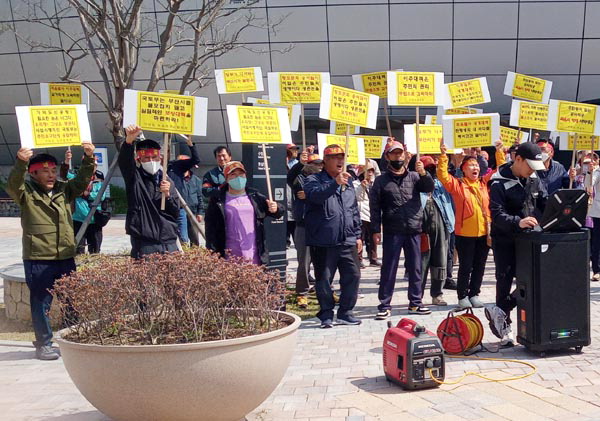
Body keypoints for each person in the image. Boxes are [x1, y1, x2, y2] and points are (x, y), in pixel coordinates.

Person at [6, 143, 96, 360]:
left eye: (53, 170)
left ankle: (73, 338)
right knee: (41, 303)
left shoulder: (64, 189)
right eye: (45, 171)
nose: (50, 175)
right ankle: (44, 343)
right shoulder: (26, 192)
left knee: (71, 301)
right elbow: (12, 185)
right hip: (39, 257)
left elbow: (83, 180)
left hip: (64, 256)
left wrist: (88, 157)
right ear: (33, 173)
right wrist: (20, 161)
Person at [487, 142, 547, 346]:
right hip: (504, 239)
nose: (532, 171)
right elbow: (496, 214)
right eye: (530, 165)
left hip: (529, 239)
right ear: (517, 159)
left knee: (533, 278)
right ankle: (505, 325)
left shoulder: (534, 178)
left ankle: (502, 310)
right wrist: (517, 222)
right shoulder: (498, 182)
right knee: (504, 279)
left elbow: (544, 203)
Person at [370, 141, 435, 319]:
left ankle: (415, 302)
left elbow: (429, 188)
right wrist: (375, 230)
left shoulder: (414, 177)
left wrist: (424, 173)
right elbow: (374, 207)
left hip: (414, 228)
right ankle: (384, 304)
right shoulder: (381, 181)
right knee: (389, 268)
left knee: (415, 268)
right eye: (394, 154)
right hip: (392, 230)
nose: (398, 157)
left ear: (406, 156)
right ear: (387, 157)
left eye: (400, 154)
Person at [438, 140, 505, 309]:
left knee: (479, 266)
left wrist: (499, 152)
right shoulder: (458, 185)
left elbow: (501, 170)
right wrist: (444, 155)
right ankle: (462, 296)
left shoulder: (484, 183)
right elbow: (443, 175)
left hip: (484, 233)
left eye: (476, 165)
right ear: (463, 169)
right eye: (471, 165)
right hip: (464, 234)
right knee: (465, 266)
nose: (475, 168)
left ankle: (474, 293)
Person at [304, 144, 363, 328]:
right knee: (324, 279)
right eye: (335, 157)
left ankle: (345, 312)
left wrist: (358, 235)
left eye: (342, 157)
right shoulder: (313, 179)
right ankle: (326, 314)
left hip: (347, 239)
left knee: (353, 275)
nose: (340, 161)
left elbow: (353, 210)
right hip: (323, 240)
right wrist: (334, 183)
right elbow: (316, 196)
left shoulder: (349, 182)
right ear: (325, 160)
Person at [205, 161, 283, 264]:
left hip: (254, 253)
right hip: (229, 254)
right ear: (227, 178)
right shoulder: (218, 200)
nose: (238, 178)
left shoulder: (255, 196)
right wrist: (213, 253)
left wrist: (276, 208)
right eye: (233, 174)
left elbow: (278, 212)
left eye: (241, 174)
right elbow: (210, 229)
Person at [120, 125, 180, 259]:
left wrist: (168, 196)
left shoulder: (167, 180)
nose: (151, 161)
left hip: (168, 242)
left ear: (161, 159)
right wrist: (128, 141)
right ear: (139, 160)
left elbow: (176, 211)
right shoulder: (135, 178)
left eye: (154, 158)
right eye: (146, 158)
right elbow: (125, 163)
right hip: (145, 242)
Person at [419, 155, 455, 306]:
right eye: (427, 168)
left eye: (432, 168)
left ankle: (437, 294)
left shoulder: (442, 184)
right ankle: (416, 296)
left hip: (442, 226)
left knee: (440, 262)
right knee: (421, 264)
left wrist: (447, 157)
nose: (430, 171)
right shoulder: (415, 184)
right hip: (421, 229)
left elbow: (452, 176)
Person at [288, 150, 322, 307]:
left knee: (323, 261)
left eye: (320, 164)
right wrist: (300, 164)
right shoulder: (299, 178)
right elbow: (290, 177)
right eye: (315, 164)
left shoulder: (325, 179)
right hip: (303, 224)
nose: (318, 167)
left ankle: (326, 288)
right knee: (304, 261)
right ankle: (302, 292)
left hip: (321, 225)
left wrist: (309, 195)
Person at [168, 138, 202, 246]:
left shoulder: (176, 166)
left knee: (184, 238)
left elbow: (195, 160)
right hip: (163, 207)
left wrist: (190, 144)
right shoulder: (156, 168)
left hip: (180, 207)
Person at [354, 160, 380, 268]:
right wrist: (361, 186)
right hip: (361, 214)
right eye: (367, 171)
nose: (370, 173)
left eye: (371, 171)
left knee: (373, 238)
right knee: (361, 237)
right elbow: (355, 196)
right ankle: (358, 259)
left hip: (371, 213)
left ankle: (373, 258)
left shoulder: (375, 184)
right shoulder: (355, 183)